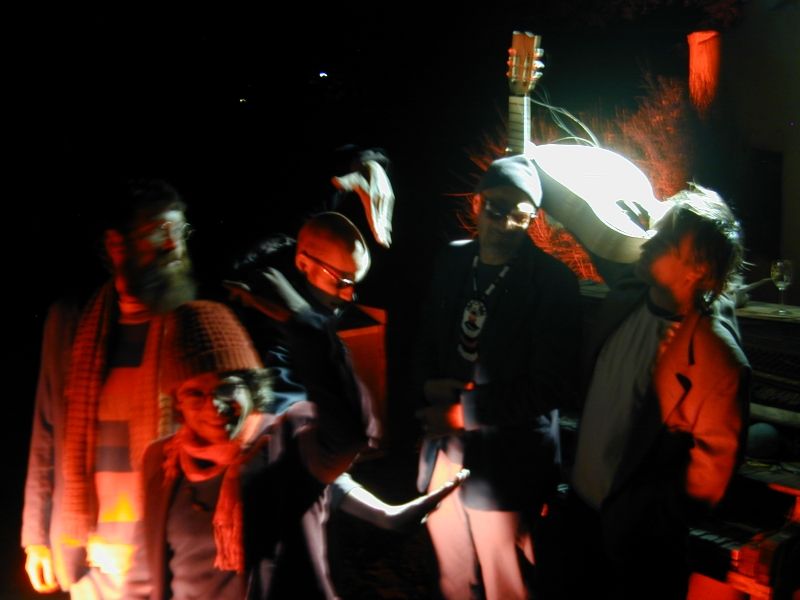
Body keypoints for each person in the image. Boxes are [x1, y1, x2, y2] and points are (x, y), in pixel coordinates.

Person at [226, 212, 466, 598]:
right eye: (341, 281)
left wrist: (382, 514)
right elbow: (297, 444)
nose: (349, 296)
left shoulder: (309, 314)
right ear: (303, 263)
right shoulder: (267, 333)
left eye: (355, 283)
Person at [565, 184, 749, 599]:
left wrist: (646, 518)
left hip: (639, 550)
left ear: (697, 269)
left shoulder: (718, 361)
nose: (646, 241)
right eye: (652, 229)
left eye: (663, 240)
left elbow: (709, 480)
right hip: (579, 517)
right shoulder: (629, 293)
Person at [415, 155, 581, 600]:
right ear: (476, 204)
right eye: (496, 209)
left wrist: (463, 413)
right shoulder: (453, 260)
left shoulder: (553, 283)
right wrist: (426, 385)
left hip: (508, 462)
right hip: (445, 452)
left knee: (505, 581)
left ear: (534, 219)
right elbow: (427, 335)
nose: (506, 224)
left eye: (520, 216)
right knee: (452, 575)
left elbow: (552, 384)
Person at [21, 178, 197, 598]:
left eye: (180, 230)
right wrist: (36, 536)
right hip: (92, 558)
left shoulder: (194, 324)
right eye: (159, 231)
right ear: (117, 245)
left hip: (168, 549)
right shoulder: (73, 322)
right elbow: (47, 430)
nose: (173, 245)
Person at [136, 300, 369, 599]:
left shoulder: (288, 442)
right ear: (177, 402)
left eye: (226, 386)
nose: (214, 405)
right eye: (195, 392)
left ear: (251, 385)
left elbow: (347, 437)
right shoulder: (163, 460)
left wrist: (304, 326)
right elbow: (145, 568)